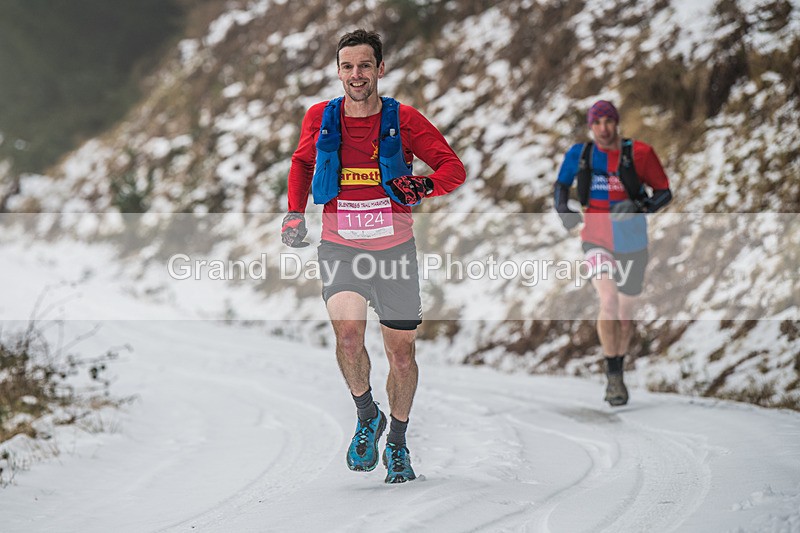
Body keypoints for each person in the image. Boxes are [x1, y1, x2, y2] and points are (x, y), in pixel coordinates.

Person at [280, 29, 465, 483]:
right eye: (348, 66)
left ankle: (398, 443)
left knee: (401, 355)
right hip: (340, 245)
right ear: (338, 71)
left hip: (394, 248)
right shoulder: (321, 117)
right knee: (347, 337)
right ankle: (368, 416)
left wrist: (423, 185)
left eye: (365, 65)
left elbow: (452, 169)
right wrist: (293, 214)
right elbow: (303, 164)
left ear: (380, 69)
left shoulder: (405, 120)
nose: (356, 74)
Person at [553, 100, 672, 406]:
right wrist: (564, 210)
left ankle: (619, 364)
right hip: (595, 239)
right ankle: (612, 375)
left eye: (608, 122)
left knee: (626, 312)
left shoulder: (639, 154)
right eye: (597, 123)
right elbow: (561, 186)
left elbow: (663, 192)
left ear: (616, 123)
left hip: (632, 242)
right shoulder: (581, 155)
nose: (603, 129)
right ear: (590, 127)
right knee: (608, 300)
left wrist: (640, 206)